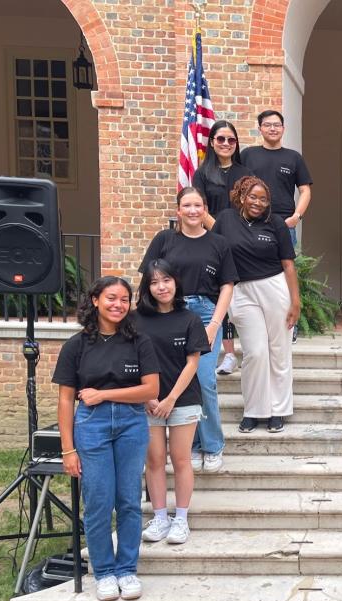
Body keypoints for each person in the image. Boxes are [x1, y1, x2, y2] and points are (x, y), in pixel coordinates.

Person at [53, 277, 159, 601]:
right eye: (111, 298)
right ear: (96, 300)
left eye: (125, 299)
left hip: (131, 424)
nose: (118, 304)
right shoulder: (76, 345)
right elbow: (65, 400)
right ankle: (103, 572)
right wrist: (68, 449)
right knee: (98, 502)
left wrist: (104, 394)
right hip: (91, 425)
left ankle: (127, 570)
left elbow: (151, 390)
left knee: (128, 500)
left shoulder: (139, 341)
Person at [140, 187, 237, 473]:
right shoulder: (165, 239)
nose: (193, 211)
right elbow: (150, 280)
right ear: (178, 210)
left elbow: (227, 286)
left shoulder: (219, 243)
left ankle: (213, 444)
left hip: (207, 313)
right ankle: (191, 446)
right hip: (171, 313)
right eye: (187, 205)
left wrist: (215, 324)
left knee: (204, 379)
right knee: (176, 379)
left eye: (198, 205)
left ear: (205, 208)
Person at [213, 175, 300, 433]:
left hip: (274, 287)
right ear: (241, 196)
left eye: (263, 199)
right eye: (253, 197)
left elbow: (288, 265)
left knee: (279, 349)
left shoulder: (276, 224)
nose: (258, 203)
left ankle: (278, 410)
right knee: (255, 352)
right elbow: (213, 250)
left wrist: (296, 301)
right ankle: (254, 410)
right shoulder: (226, 220)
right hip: (241, 292)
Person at [133, 260, 210, 546]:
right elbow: (130, 359)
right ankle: (160, 517)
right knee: (153, 461)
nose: (161, 287)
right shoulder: (136, 320)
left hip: (183, 399)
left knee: (181, 460)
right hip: (147, 401)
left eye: (166, 280)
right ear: (147, 287)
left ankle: (181, 519)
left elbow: (193, 363)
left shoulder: (189, 318)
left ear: (176, 282)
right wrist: (148, 397)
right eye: (154, 282)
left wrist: (170, 399)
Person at [193, 119, 252, 377]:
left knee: (243, 296)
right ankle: (228, 353)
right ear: (212, 142)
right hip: (211, 242)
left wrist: (235, 234)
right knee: (221, 298)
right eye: (220, 139)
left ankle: (248, 349)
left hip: (241, 242)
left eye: (231, 140)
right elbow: (198, 207)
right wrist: (220, 232)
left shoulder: (245, 173)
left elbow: (252, 207)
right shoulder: (203, 173)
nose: (226, 144)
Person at [240, 110, 312, 248]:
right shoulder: (248, 154)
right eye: (267, 125)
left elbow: (305, 190)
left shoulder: (294, 157)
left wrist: (296, 217)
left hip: (284, 224)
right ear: (260, 128)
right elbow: (237, 187)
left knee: (286, 266)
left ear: (283, 129)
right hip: (251, 223)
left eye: (277, 125)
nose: (272, 129)